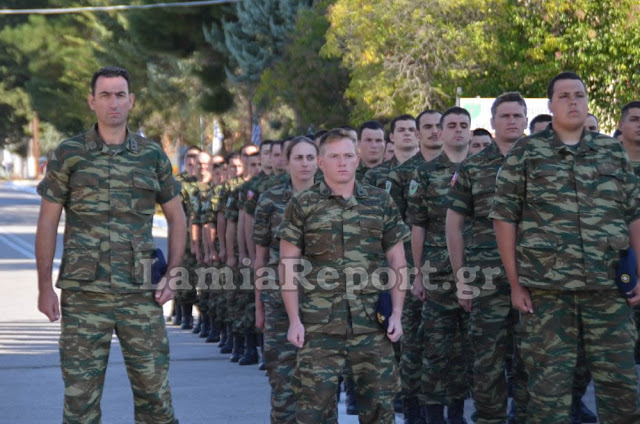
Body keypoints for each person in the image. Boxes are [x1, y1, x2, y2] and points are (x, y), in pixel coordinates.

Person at [35, 66, 185, 423]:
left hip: (141, 295)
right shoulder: (69, 153)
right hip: (85, 296)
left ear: (131, 102)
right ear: (92, 102)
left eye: (120, 95)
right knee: (80, 403)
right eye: (105, 95)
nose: (113, 102)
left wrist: (175, 273)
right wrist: (44, 286)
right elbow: (47, 222)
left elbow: (178, 217)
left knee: (156, 398)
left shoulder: (151, 155)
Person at [490, 71, 640, 422]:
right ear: (550, 105)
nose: (573, 101)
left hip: (608, 291)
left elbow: (634, 214)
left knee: (620, 384)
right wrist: (515, 284)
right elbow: (504, 218)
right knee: (548, 389)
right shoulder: (528, 152)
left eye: (579, 95)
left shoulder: (611, 151)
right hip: (547, 293)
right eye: (564, 96)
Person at [279, 128, 408, 423]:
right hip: (319, 326)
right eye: (334, 156)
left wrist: (398, 314)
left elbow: (397, 260)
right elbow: (288, 264)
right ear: (320, 163)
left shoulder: (380, 202)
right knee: (313, 410)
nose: (342, 163)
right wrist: (294, 320)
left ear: (358, 159)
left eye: (348, 156)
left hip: (372, 325)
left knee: (379, 408)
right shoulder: (301, 205)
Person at [446, 92, 528, 424]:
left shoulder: (544, 162)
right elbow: (454, 226)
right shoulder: (473, 167)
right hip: (486, 281)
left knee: (532, 360)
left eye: (517, 116)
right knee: (487, 361)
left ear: (525, 120)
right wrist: (461, 279)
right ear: (492, 123)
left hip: (537, 278)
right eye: (504, 116)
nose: (511, 121)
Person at [407, 106, 471, 424]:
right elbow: (417, 227)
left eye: (464, 125)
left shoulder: (483, 169)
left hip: (481, 273)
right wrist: (418, 274)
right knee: (435, 347)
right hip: (438, 275)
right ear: (441, 133)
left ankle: (457, 411)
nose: (458, 130)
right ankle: (433, 413)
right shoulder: (426, 173)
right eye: (452, 126)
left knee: (465, 350)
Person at [253, 136, 319, 423]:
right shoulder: (269, 200)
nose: (304, 164)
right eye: (298, 158)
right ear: (287, 161)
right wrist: (258, 307)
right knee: (282, 382)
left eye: (310, 157)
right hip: (278, 302)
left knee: (321, 386)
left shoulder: (333, 197)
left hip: (322, 302)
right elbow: (261, 256)